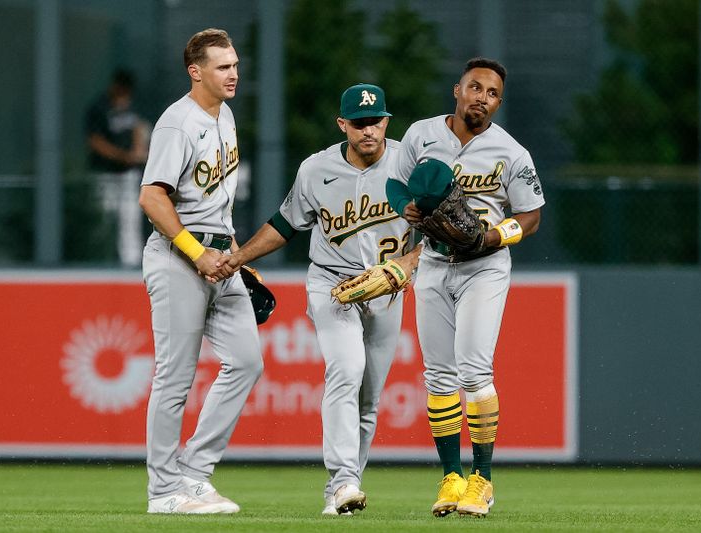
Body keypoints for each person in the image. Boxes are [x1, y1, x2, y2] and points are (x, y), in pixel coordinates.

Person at [216, 84, 421, 516]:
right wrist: (238, 257)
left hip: (388, 292)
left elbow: (443, 229)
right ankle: (345, 480)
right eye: (360, 123)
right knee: (346, 369)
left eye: (377, 121)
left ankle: (341, 488)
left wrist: (407, 264)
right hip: (333, 285)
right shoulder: (316, 169)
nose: (370, 130)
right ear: (342, 124)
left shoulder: (410, 163)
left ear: (387, 121)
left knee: (369, 399)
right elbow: (285, 224)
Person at [385, 57, 545, 518]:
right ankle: (451, 477)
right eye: (476, 87)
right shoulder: (421, 134)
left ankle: (483, 480)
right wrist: (407, 209)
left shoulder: (511, 152)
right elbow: (397, 184)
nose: (483, 97)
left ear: (498, 103)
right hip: (434, 261)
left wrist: (494, 235)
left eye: (492, 93)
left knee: (474, 371)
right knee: (438, 375)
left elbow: (531, 215)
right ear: (457, 90)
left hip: (485, 266)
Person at [138, 28, 263, 514]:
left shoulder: (225, 115)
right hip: (179, 259)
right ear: (196, 71)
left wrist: (236, 256)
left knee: (248, 361)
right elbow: (152, 196)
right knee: (174, 377)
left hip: (219, 259)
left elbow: (215, 199)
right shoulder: (178, 123)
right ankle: (164, 490)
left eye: (234, 64)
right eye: (222, 66)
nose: (233, 73)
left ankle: (193, 473)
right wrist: (197, 252)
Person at [85, 68, 150, 266]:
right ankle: (100, 261)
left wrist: (138, 151)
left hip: (128, 174)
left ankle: (130, 265)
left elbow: (140, 127)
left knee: (129, 220)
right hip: (105, 174)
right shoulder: (99, 106)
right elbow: (95, 141)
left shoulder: (132, 105)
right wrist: (122, 156)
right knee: (103, 220)